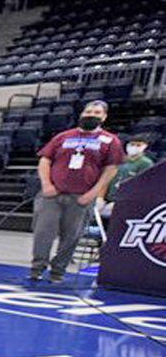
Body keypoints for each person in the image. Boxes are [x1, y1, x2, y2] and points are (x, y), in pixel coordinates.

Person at [32, 100, 123, 283]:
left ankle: (58, 271)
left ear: (104, 117)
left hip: (81, 197)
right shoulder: (63, 137)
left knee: (71, 236)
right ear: (81, 114)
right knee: (43, 232)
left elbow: (111, 169)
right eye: (88, 111)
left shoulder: (110, 141)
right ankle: (37, 268)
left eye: (97, 112)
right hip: (53, 194)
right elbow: (45, 160)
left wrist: (94, 193)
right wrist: (46, 185)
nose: (91, 115)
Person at [104, 135, 155, 218]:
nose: (134, 147)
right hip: (109, 196)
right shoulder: (119, 159)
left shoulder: (146, 163)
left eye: (138, 145)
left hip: (125, 200)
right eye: (132, 144)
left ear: (145, 146)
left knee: (107, 212)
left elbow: (144, 186)